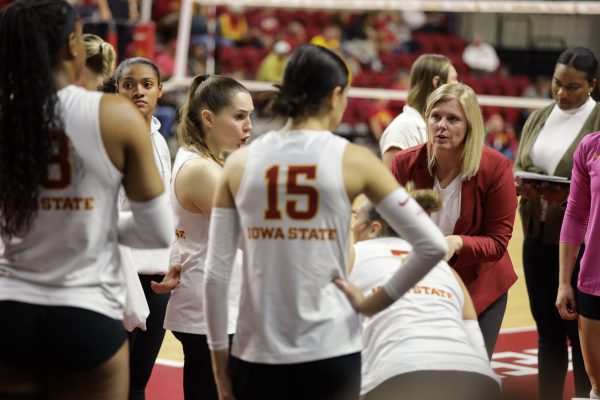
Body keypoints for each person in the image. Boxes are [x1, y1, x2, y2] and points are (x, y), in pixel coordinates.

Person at [203, 44, 448, 400]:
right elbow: (433, 245)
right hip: (332, 351)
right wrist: (372, 303)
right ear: (335, 95)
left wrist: (218, 362)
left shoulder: (239, 164)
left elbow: (215, 274)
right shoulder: (354, 160)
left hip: (257, 354)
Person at [0, 1, 172, 399]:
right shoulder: (115, 115)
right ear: (73, 45)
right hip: (85, 308)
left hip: (11, 306)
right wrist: (92, 219)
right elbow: (157, 229)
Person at [391, 82, 518, 359]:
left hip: (478, 287)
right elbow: (387, 226)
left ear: (470, 124)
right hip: (421, 284)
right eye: (435, 116)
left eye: (452, 119)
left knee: (467, 377)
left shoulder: (495, 168)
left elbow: (497, 243)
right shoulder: (405, 164)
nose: (441, 126)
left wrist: (457, 243)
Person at [153, 74, 252, 400]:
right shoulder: (202, 170)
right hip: (212, 313)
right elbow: (248, 238)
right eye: (239, 116)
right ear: (208, 117)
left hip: (214, 306)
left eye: (249, 115)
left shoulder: (204, 161)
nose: (248, 125)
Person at [350, 191, 500, 400]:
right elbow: (475, 341)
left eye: (356, 220)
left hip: (399, 374)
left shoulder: (353, 255)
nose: (351, 227)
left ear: (374, 229)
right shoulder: (445, 269)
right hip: (475, 376)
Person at [515, 46, 600, 400]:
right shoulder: (538, 117)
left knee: (580, 335)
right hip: (537, 237)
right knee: (546, 332)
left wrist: (562, 196)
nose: (562, 93)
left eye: (573, 87)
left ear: (592, 85)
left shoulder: (597, 128)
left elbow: (587, 194)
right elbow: (520, 161)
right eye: (556, 83)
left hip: (584, 247)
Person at [112, 57, 174, 400]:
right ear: (117, 90)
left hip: (157, 278)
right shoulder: (111, 144)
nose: (138, 91)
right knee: (114, 384)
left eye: (147, 85)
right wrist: (131, 296)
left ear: (160, 90)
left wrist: (172, 261)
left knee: (138, 382)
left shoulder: (160, 140)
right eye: (129, 85)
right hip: (124, 278)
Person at [557, 131, 600, 400]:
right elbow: (574, 214)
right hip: (594, 282)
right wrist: (564, 282)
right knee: (598, 387)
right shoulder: (591, 146)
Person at [379, 54, 458, 168]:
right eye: (454, 79)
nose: (458, 85)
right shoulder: (403, 130)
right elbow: (390, 184)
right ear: (437, 83)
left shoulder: (433, 125)